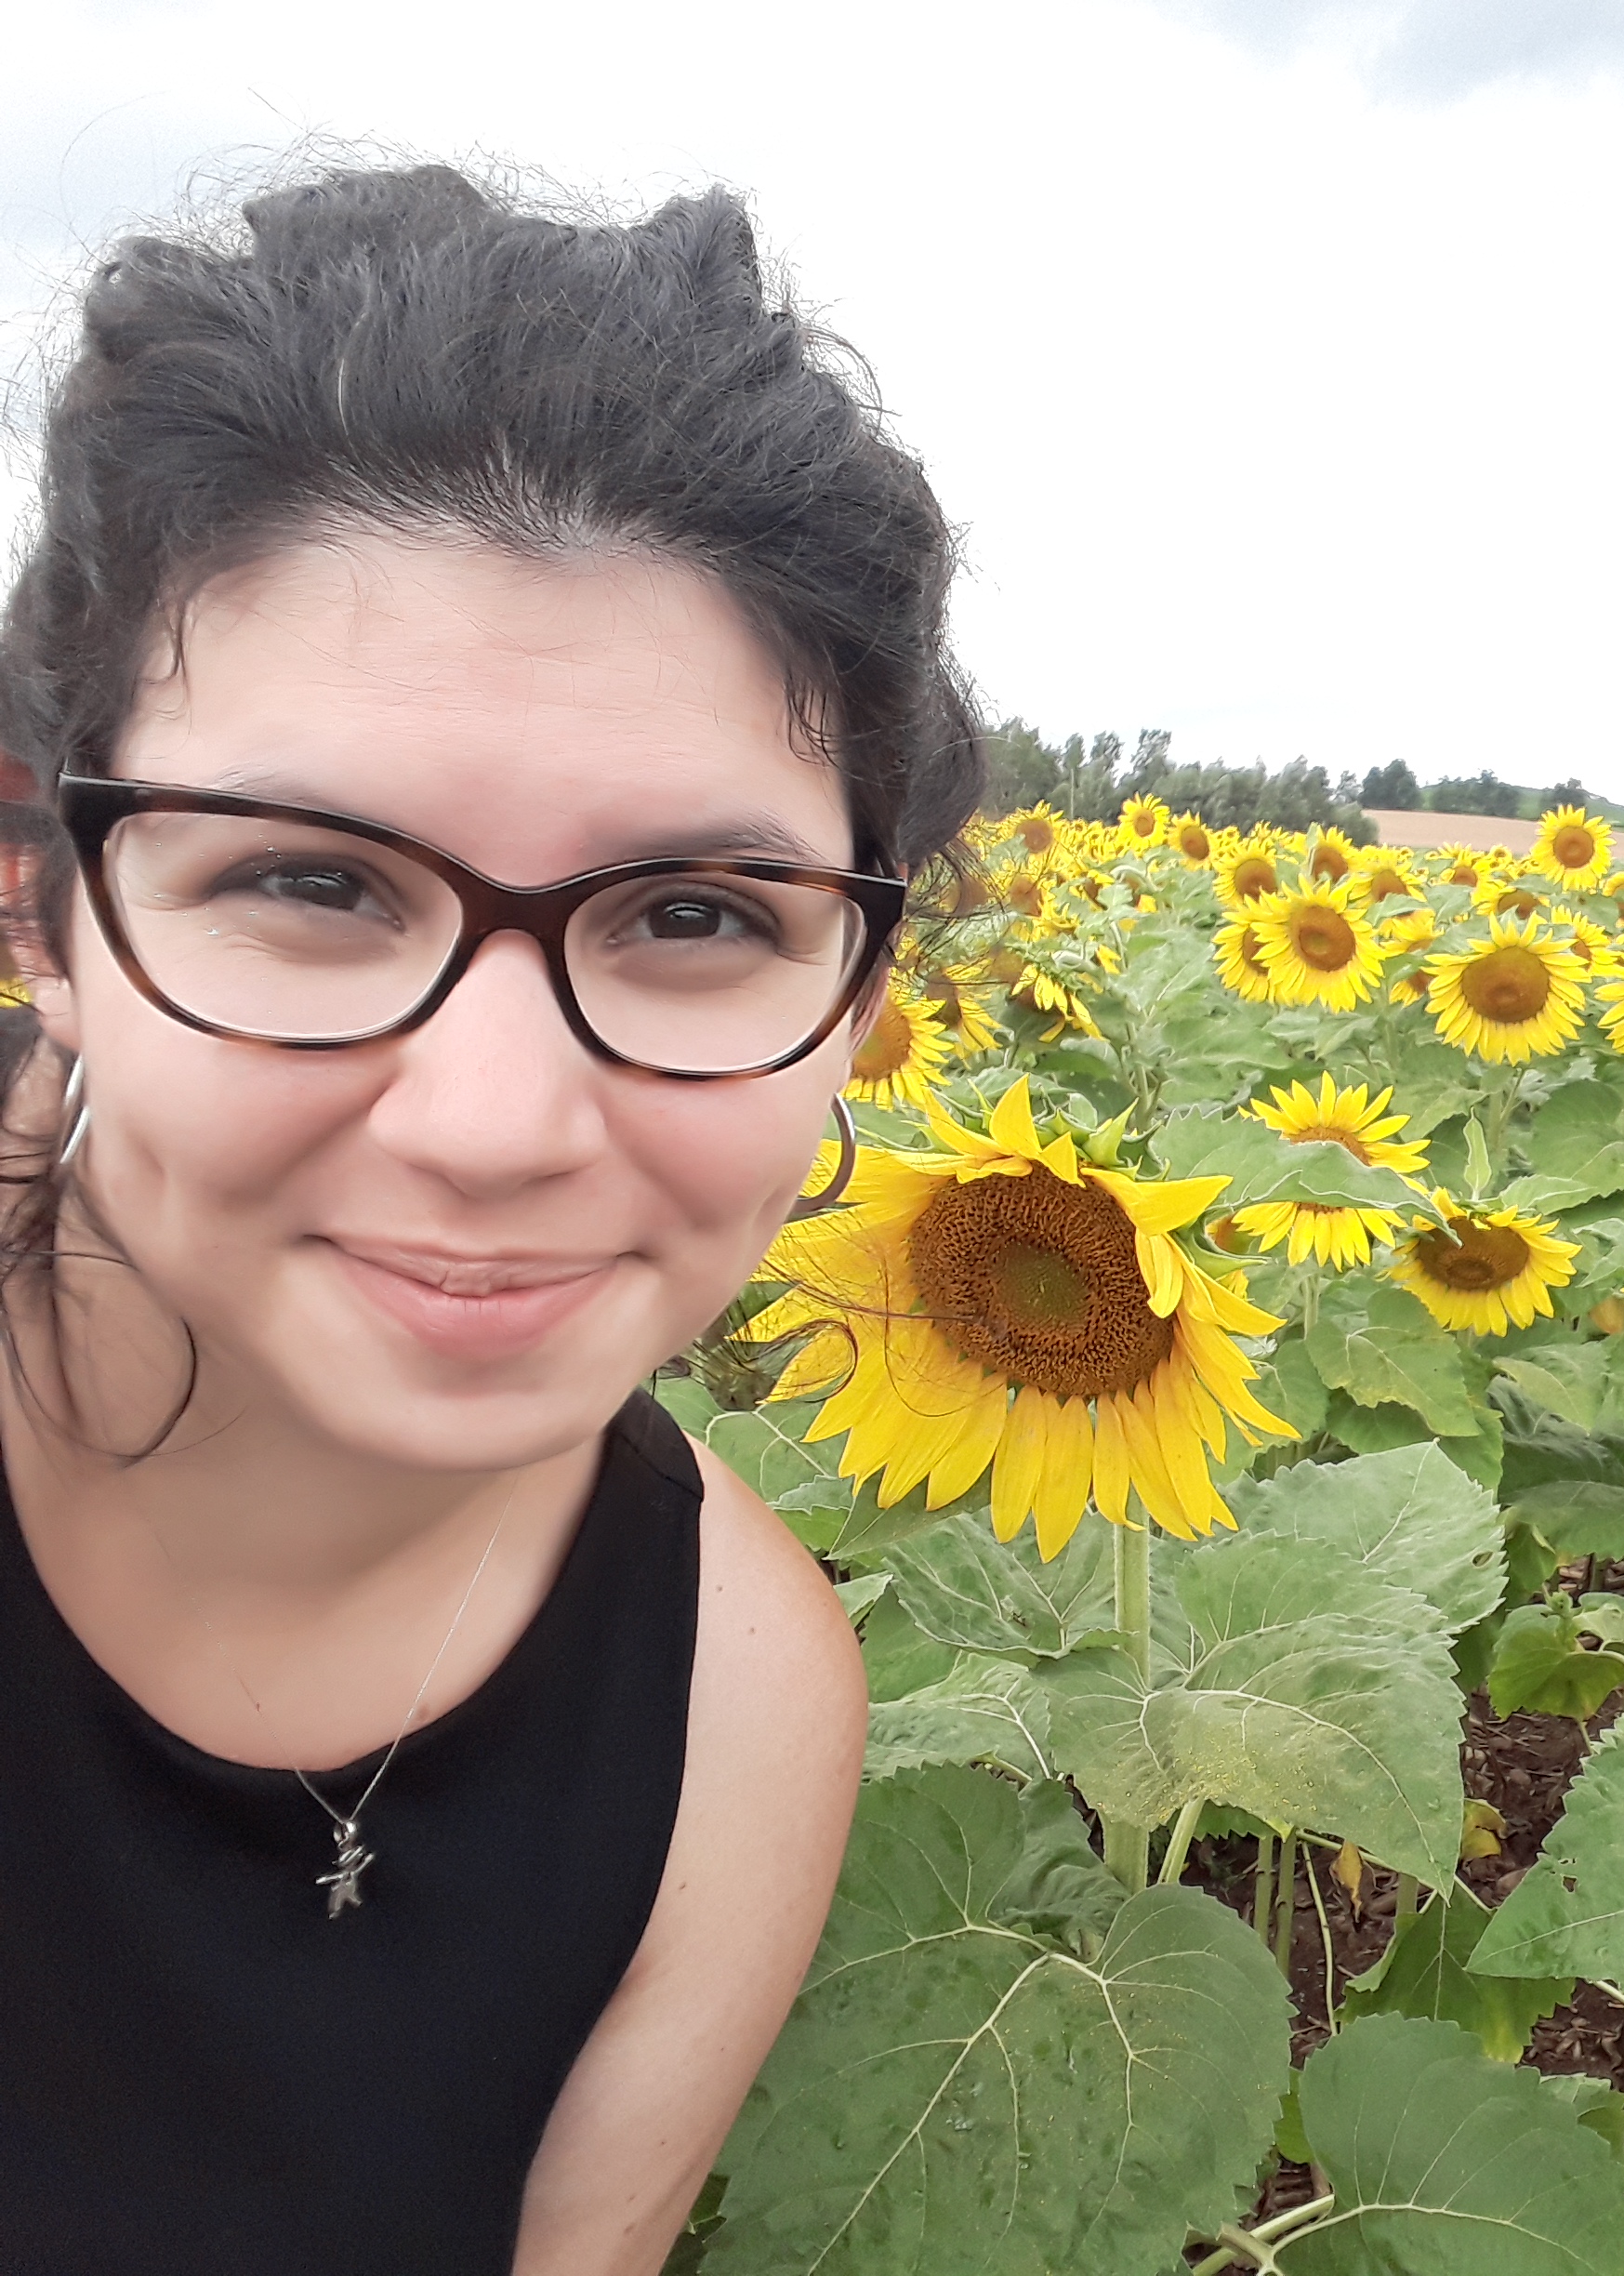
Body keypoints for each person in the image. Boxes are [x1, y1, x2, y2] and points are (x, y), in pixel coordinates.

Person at [0, 162, 983, 2272]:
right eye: (311, 882)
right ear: (48, 923)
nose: (498, 1124)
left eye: (696, 916)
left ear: (858, 1006)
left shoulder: (736, 1712)